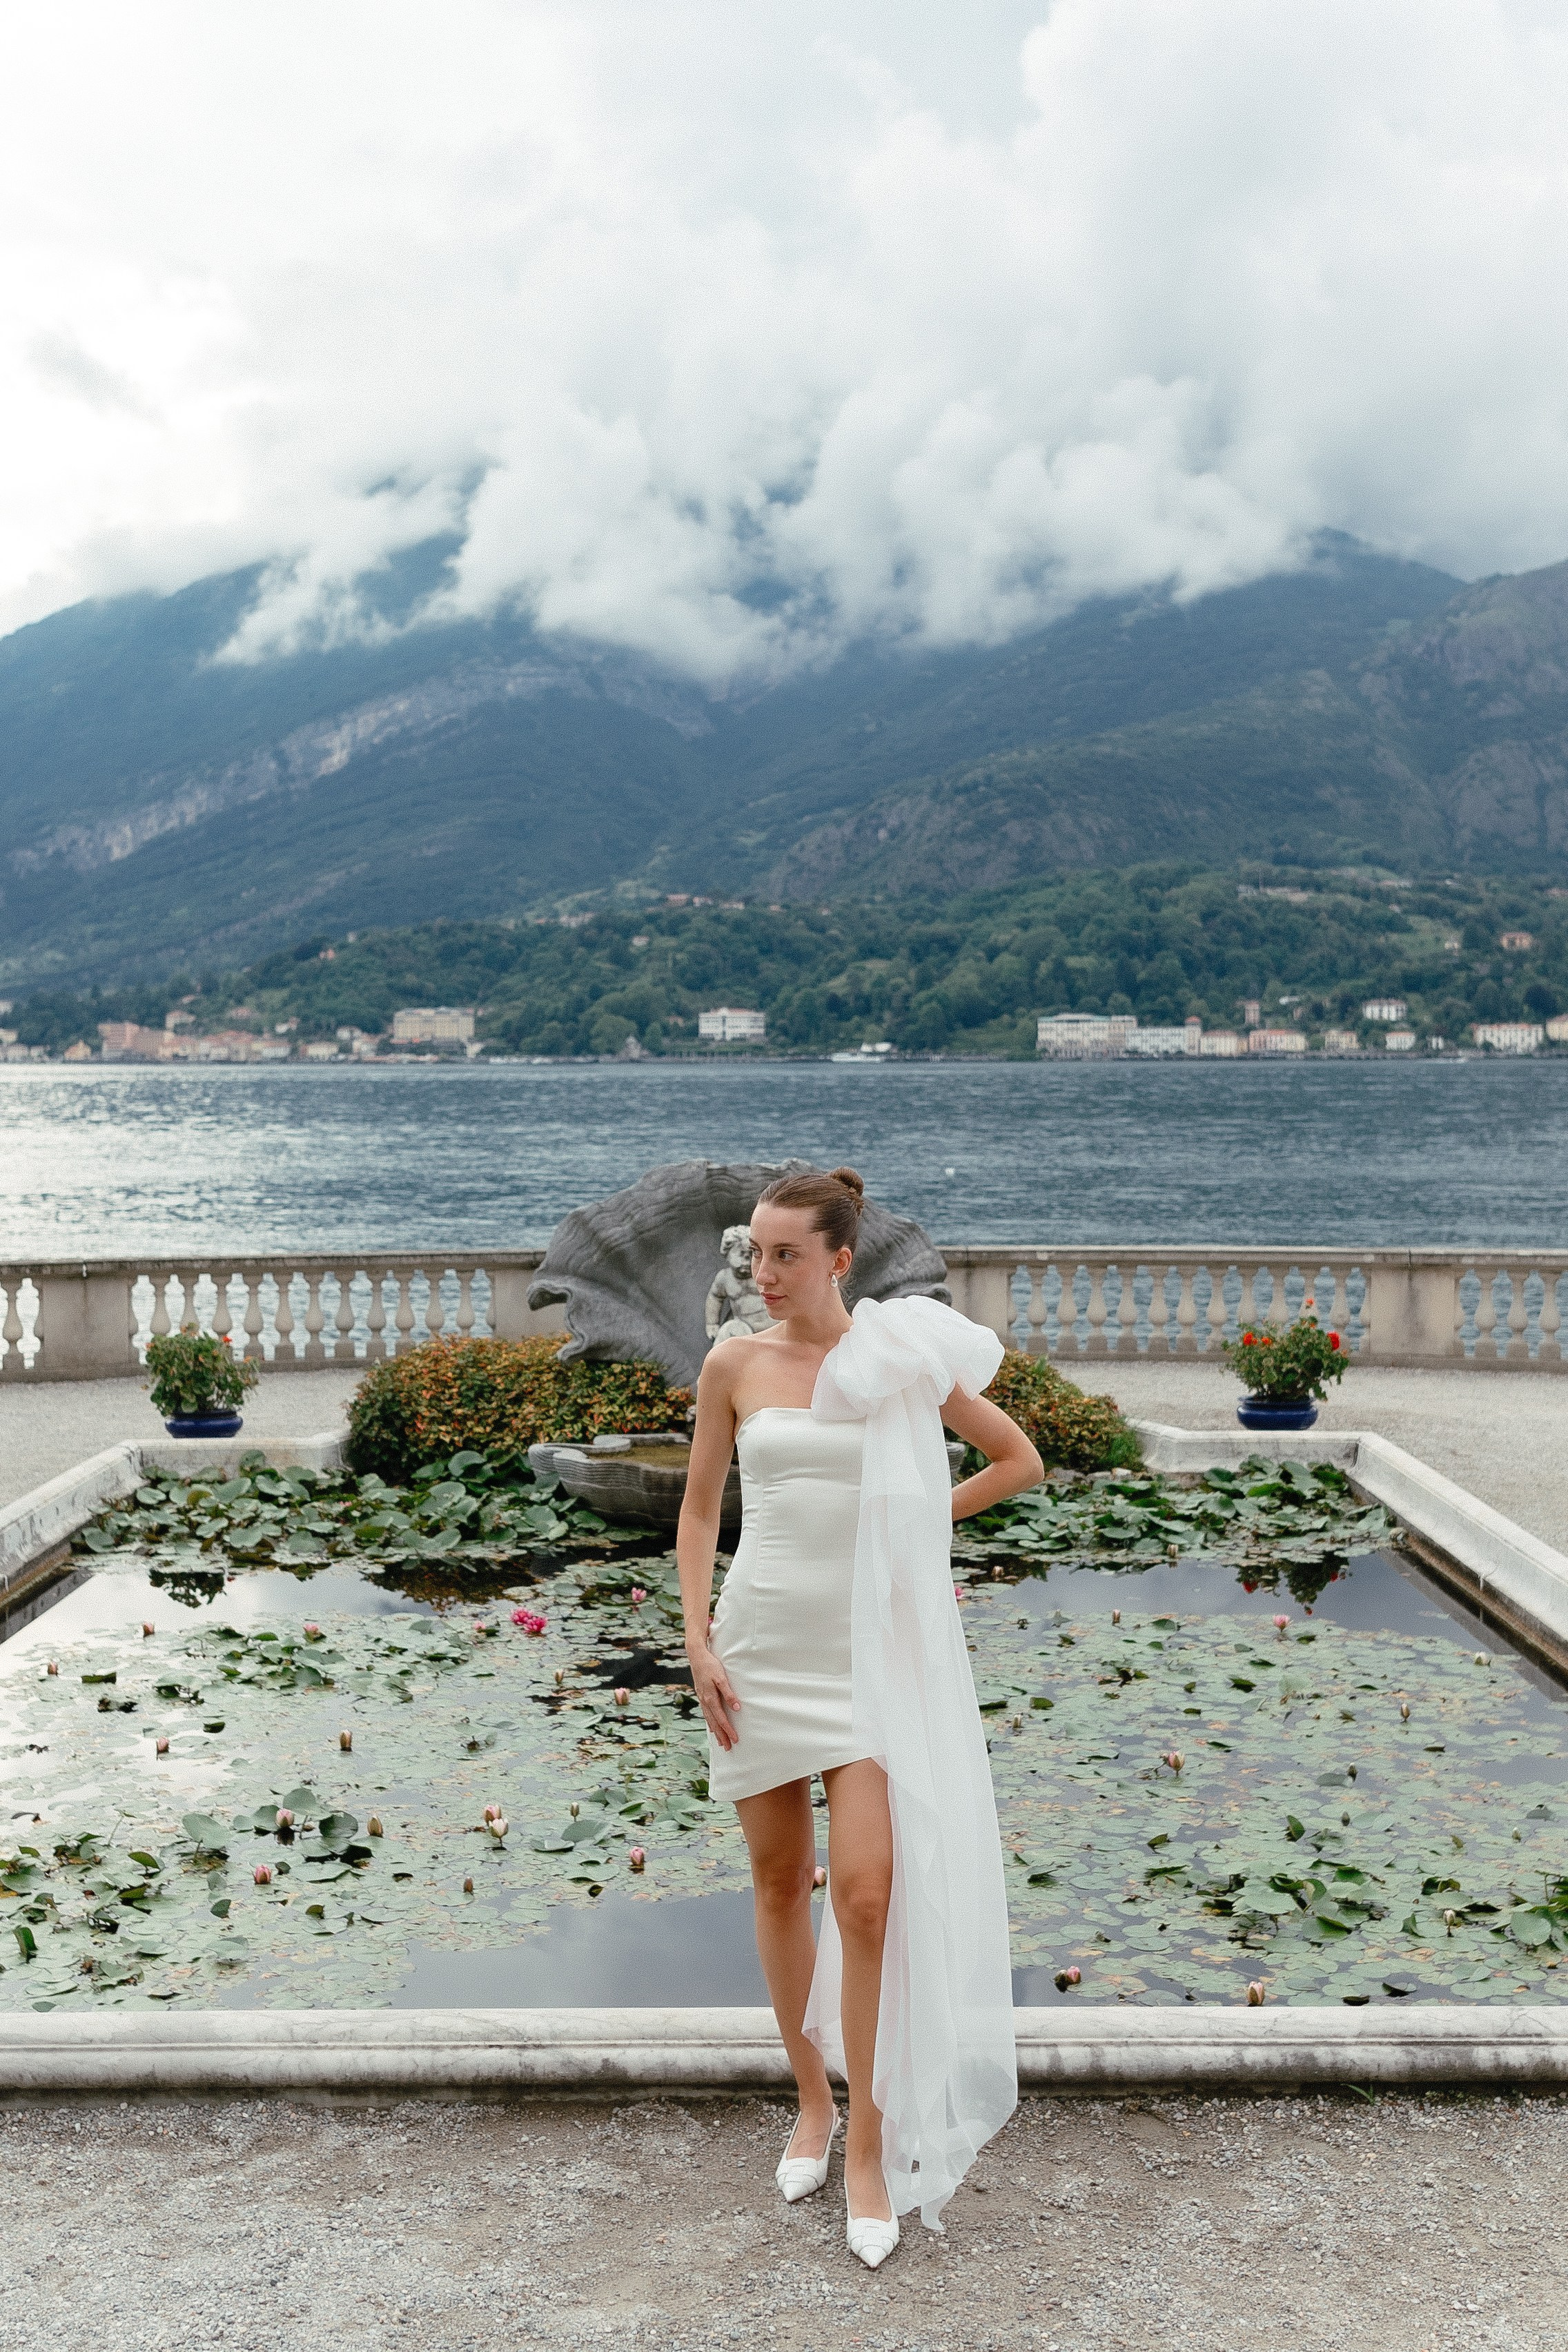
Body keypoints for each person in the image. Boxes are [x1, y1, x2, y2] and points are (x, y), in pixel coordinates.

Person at [677, 1166, 1043, 2268]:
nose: (764, 1272)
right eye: (755, 1252)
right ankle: (813, 2107)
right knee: (783, 1881)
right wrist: (695, 1641)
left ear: (841, 1258)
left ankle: (874, 2148)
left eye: (787, 1253)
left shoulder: (896, 1360)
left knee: (871, 1898)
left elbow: (1018, 1461)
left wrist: (916, 1525)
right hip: (758, 1651)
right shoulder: (733, 1364)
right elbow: (700, 1513)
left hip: (867, 1659)